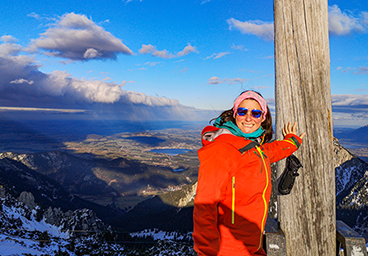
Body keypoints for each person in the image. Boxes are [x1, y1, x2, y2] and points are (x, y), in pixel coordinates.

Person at [193, 90, 306, 256]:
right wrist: (206, 252)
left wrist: (292, 142)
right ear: (234, 114)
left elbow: (269, 152)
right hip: (228, 250)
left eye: (255, 113)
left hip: (252, 246)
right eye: (242, 111)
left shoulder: (253, 148)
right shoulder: (222, 148)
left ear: (262, 118)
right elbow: (205, 206)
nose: (248, 118)